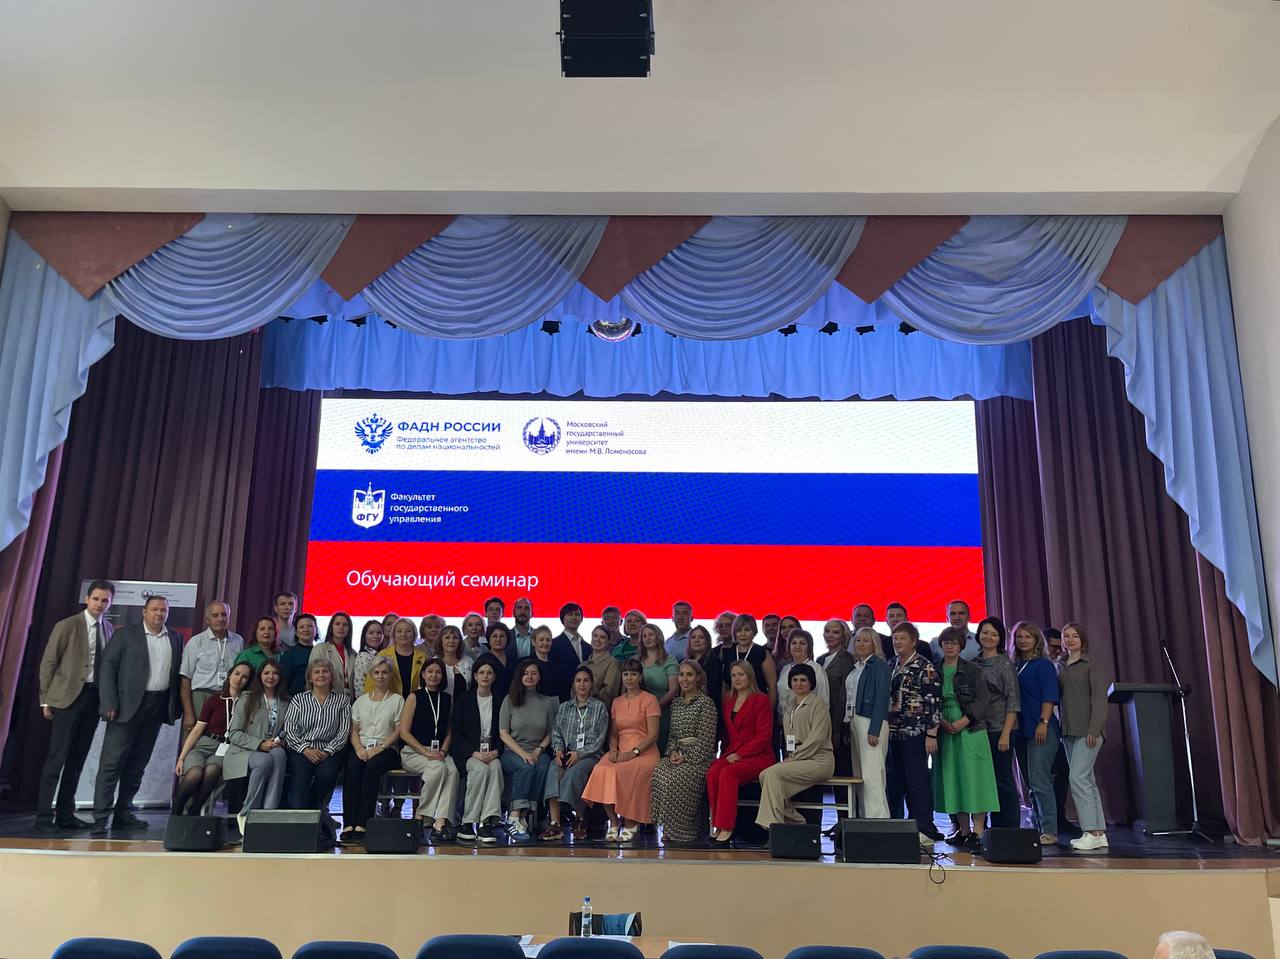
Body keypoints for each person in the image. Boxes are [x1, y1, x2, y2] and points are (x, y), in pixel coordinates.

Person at [92, 595, 183, 836]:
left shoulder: (175, 637)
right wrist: (109, 703)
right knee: (111, 764)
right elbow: (107, 668)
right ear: (144, 611)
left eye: (163, 610)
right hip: (125, 707)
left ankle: (124, 812)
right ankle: (100, 818)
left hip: (156, 706)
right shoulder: (125, 634)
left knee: (137, 764)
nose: (159, 614)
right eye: (154, 609)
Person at [35, 580, 115, 832]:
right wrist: (46, 699)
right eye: (96, 599)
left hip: (93, 698)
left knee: (77, 758)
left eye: (105, 600)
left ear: (110, 603)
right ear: (87, 599)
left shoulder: (108, 628)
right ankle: (43, 817)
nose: (100, 604)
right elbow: (49, 663)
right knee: (56, 758)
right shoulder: (67, 625)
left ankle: (65, 814)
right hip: (66, 698)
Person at [932, 626, 999, 846]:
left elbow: (982, 699)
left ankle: (978, 831)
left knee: (975, 778)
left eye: (954, 643)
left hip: (971, 728)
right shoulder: (934, 669)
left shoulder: (972, 670)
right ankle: (962, 829)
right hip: (945, 728)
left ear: (961, 645)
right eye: (946, 643)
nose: (950, 647)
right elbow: (930, 698)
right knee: (954, 779)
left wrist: (965, 720)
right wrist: (941, 721)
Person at [582, 659, 661, 842]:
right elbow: (614, 733)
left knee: (624, 773)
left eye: (633, 674)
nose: (629, 678)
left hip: (644, 752)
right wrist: (613, 750)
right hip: (621, 749)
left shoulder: (649, 699)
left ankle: (631, 822)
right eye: (626, 674)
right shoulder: (617, 702)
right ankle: (614, 821)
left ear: (640, 677)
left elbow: (654, 734)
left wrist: (634, 752)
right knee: (601, 770)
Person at [756, 664, 835, 829]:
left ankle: (774, 826)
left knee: (773, 775)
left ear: (811, 683)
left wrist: (795, 757)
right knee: (765, 776)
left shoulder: (818, 704)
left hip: (819, 759)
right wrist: (792, 757)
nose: (798, 683)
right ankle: (795, 820)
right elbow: (789, 738)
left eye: (803, 680)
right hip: (797, 759)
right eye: (795, 680)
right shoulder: (790, 706)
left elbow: (818, 738)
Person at [885, 621, 942, 844]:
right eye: (895, 638)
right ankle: (898, 825)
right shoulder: (891, 664)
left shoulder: (924, 666)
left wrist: (932, 734)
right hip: (893, 732)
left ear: (913, 641)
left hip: (915, 732)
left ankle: (924, 826)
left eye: (902, 638)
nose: (897, 642)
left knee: (916, 781)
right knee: (895, 781)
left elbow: (934, 703)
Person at [707, 661, 774, 844]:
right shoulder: (728, 700)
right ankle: (718, 824)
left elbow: (763, 737)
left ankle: (727, 826)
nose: (737, 679)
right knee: (713, 771)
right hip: (733, 752)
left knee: (728, 774)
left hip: (758, 755)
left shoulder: (761, 700)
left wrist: (741, 754)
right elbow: (727, 733)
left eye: (741, 674)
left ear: (749, 676)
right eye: (734, 675)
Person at [651, 660, 718, 844]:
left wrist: (686, 757)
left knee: (675, 779)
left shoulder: (706, 704)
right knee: (659, 773)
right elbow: (673, 735)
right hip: (677, 754)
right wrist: (673, 752)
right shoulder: (676, 703)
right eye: (681, 674)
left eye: (689, 675)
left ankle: (685, 831)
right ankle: (668, 829)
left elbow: (706, 742)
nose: (684, 679)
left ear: (698, 678)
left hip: (699, 759)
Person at [173, 661, 253, 815]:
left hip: (226, 747)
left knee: (213, 770)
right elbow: (197, 729)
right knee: (195, 773)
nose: (239, 679)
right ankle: (177, 809)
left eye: (244, 677)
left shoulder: (248, 703)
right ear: (230, 675)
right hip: (205, 743)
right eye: (236, 674)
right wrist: (181, 757)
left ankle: (195, 809)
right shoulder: (215, 699)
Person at [1059, 621, 1111, 851]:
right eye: (1066, 636)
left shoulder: (1092, 665)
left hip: (1088, 731)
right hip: (1068, 730)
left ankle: (1090, 831)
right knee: (1087, 780)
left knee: (1077, 778)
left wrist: (1094, 729)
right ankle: (1099, 834)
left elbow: (1100, 700)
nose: (1070, 640)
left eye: (1074, 636)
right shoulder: (1061, 666)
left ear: (1082, 640)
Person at [340, 658, 404, 843]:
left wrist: (381, 748)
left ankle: (363, 822)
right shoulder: (360, 701)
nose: (380, 676)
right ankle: (348, 823)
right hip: (362, 747)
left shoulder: (397, 700)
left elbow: (399, 730)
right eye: (376, 672)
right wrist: (358, 748)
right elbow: (354, 730)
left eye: (384, 672)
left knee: (372, 767)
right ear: (370, 675)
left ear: (390, 675)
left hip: (387, 749)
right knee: (353, 767)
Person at [398, 657, 460, 842]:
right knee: (438, 768)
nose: (434, 675)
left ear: (443, 676)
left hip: (439, 751)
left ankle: (440, 822)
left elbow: (449, 731)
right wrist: (425, 752)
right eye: (430, 671)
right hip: (414, 751)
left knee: (453, 771)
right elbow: (404, 733)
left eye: (438, 672)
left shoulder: (448, 699)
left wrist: (443, 751)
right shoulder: (414, 697)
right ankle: (421, 816)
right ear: (423, 674)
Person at [282, 660, 351, 825]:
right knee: (301, 777)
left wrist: (327, 751)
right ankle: (300, 821)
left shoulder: (342, 701)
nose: (321, 675)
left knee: (327, 774)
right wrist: (305, 749)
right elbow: (289, 729)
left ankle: (315, 813)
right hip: (301, 749)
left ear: (331, 676)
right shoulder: (299, 699)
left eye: (325, 671)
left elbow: (343, 732)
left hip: (329, 750)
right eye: (317, 672)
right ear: (310, 678)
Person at [545, 665, 610, 840]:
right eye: (578, 681)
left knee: (576, 771)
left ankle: (580, 819)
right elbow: (556, 732)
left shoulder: (599, 707)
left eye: (586, 681)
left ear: (591, 684)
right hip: (566, 753)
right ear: (573, 684)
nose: (582, 684)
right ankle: (555, 823)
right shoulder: (564, 707)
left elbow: (598, 740)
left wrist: (579, 754)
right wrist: (558, 750)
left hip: (590, 755)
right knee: (553, 770)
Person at [224, 660, 289, 831]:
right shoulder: (247, 698)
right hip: (243, 750)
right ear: (260, 676)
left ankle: (268, 814)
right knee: (264, 761)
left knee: (280, 755)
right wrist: (260, 744)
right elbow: (234, 733)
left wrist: (281, 741)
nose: (270, 677)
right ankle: (247, 813)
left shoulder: (285, 702)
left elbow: (286, 731)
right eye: (266, 673)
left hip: (272, 748)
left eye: (275, 673)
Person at [1012, 620, 1061, 846]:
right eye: (1019, 637)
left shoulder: (1043, 665)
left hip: (1042, 728)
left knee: (1041, 781)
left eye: (1028, 637)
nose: (1023, 641)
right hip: (1021, 730)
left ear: (1036, 640)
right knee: (1030, 783)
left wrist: (1043, 722)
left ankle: (1050, 830)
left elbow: (1049, 696)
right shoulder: (1016, 666)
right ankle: (1038, 826)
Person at [499, 659, 559, 841]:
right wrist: (523, 754)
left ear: (539, 676)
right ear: (520, 676)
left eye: (534, 673)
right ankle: (513, 817)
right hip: (513, 752)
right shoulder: (509, 700)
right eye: (525, 673)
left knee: (543, 766)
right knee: (526, 766)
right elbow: (503, 733)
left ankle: (524, 816)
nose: (530, 677)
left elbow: (550, 733)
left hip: (537, 750)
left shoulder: (547, 702)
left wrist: (539, 750)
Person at [973, 616, 1020, 828]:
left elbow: (1013, 699)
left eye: (994, 634)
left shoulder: (1004, 663)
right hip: (979, 729)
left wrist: (1006, 733)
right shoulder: (973, 663)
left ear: (1000, 638)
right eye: (985, 633)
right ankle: (994, 828)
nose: (989, 637)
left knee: (1003, 778)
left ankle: (1010, 827)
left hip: (1001, 728)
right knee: (984, 780)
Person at [452, 659, 505, 843]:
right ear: (475, 676)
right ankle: (468, 822)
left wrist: (496, 751)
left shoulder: (500, 700)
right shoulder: (464, 699)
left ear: (494, 677)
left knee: (496, 768)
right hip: (469, 753)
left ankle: (486, 822)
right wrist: (474, 753)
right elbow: (456, 732)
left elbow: (504, 731)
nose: (485, 676)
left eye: (489, 673)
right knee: (480, 769)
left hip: (492, 751)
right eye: (481, 672)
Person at [179, 600, 244, 738]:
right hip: (201, 697)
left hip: (228, 697)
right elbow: (185, 679)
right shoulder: (195, 642)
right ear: (207, 619)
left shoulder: (238, 641)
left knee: (222, 740)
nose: (220, 619)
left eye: (224, 614)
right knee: (193, 740)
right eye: (215, 615)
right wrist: (188, 712)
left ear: (229, 616)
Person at [845, 627, 890, 818]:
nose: (861, 644)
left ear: (874, 644)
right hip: (855, 721)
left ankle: (877, 820)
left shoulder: (879, 665)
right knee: (860, 775)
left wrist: (874, 729)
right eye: (858, 640)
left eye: (866, 640)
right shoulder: (858, 667)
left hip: (870, 721)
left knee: (872, 775)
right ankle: (864, 818)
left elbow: (882, 697)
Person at [817, 619, 855, 776]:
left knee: (841, 767)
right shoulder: (820, 659)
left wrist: (836, 728)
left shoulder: (848, 660)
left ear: (843, 636)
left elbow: (844, 696)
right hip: (820, 720)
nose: (830, 635)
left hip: (837, 722)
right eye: (827, 631)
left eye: (835, 632)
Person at [723, 613, 777, 707]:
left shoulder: (762, 653)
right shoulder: (728, 653)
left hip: (758, 707)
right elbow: (725, 686)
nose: (743, 634)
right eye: (739, 630)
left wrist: (770, 710)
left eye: (747, 630)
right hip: (734, 706)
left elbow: (772, 686)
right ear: (734, 632)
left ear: (754, 632)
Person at [639, 622, 678, 750]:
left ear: (658, 637)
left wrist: (655, 707)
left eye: (651, 635)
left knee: (660, 747)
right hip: (640, 711)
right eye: (644, 636)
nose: (647, 638)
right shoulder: (637, 661)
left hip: (663, 709)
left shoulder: (669, 660)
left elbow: (674, 690)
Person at [777, 629, 830, 717]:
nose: (797, 646)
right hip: (785, 720)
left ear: (809, 647)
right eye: (794, 643)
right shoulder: (785, 669)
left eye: (802, 643)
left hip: (808, 720)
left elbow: (824, 702)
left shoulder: (817, 669)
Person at [372, 617, 428, 697]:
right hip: (388, 701)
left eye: (408, 631)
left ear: (414, 634)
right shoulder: (383, 655)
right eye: (399, 631)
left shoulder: (423, 657)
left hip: (415, 701)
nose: (404, 634)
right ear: (393, 634)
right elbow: (372, 682)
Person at [311, 611, 356, 696]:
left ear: (349, 629)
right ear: (331, 627)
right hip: (326, 698)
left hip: (349, 700)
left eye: (345, 625)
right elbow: (312, 676)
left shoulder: (353, 653)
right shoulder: (320, 648)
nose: (341, 627)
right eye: (337, 624)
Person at [550, 602, 591, 696]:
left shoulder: (588, 647)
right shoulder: (554, 644)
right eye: (570, 614)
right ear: (562, 618)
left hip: (585, 695)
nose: (574, 617)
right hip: (562, 694)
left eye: (577, 614)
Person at [280, 613, 320, 697]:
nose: (306, 629)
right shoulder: (290, 655)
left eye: (310, 626)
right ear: (296, 632)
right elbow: (283, 684)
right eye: (301, 627)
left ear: (316, 630)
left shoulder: (321, 652)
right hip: (296, 701)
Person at [685, 625, 722, 715]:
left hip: (707, 709)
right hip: (687, 708)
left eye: (701, 637)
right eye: (693, 637)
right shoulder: (684, 662)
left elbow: (714, 689)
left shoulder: (714, 661)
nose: (697, 640)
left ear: (707, 641)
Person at [586, 625, 622, 706]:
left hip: (599, 710)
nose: (597, 639)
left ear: (608, 641)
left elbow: (609, 693)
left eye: (602, 637)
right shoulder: (582, 665)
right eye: (595, 636)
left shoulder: (612, 663)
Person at [479, 623, 516, 700]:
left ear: (507, 639)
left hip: (512, 701)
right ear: (489, 639)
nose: (498, 639)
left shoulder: (513, 658)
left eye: (502, 636)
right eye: (494, 636)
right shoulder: (483, 660)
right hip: (490, 702)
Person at [350, 620, 387, 696]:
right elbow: (360, 689)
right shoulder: (363, 656)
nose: (375, 636)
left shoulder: (384, 655)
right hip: (370, 701)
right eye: (371, 633)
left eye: (379, 633)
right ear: (364, 636)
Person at [439, 624, 472, 698]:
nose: (451, 641)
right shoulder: (433, 662)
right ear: (440, 641)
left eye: (455, 638)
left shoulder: (468, 661)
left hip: (464, 703)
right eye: (447, 637)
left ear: (460, 641)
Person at [531, 625, 561, 699]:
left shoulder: (557, 663)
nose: (545, 643)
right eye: (541, 640)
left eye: (548, 640)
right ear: (533, 642)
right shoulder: (527, 663)